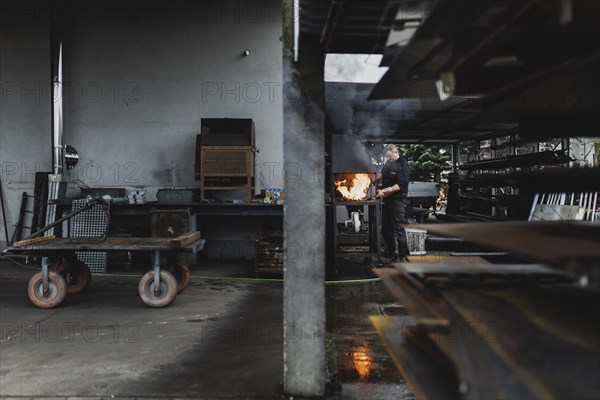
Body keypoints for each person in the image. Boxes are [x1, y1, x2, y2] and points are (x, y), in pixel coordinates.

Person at [376, 144, 410, 263]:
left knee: (398, 228)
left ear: (395, 152)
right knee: (386, 228)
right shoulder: (388, 163)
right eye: (387, 157)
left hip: (397, 200)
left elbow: (400, 185)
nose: (388, 158)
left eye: (389, 156)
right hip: (386, 200)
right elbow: (382, 174)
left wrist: (384, 191)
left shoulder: (403, 164)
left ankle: (403, 256)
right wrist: (370, 179)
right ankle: (392, 253)